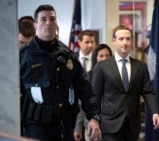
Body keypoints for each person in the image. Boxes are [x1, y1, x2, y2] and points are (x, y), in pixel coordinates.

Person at [19, 4, 101, 141]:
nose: (48, 23)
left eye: (52, 19)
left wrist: (93, 117)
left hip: (65, 126)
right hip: (36, 127)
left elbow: (85, 89)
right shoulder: (24, 56)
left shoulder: (68, 55)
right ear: (35, 25)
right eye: (43, 19)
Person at [91, 25, 159, 141]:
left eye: (128, 39)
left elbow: (148, 92)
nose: (125, 42)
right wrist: (94, 120)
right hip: (110, 125)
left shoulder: (141, 66)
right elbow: (95, 98)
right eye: (121, 39)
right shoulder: (102, 67)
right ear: (114, 41)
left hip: (132, 125)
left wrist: (155, 112)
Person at [74, 43, 113, 141]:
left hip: (112, 124)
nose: (104, 59)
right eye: (101, 56)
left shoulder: (116, 78)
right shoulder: (88, 76)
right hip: (91, 125)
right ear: (95, 58)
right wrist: (78, 128)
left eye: (107, 56)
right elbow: (83, 104)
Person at [73, 30, 98, 141]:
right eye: (87, 42)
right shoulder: (72, 59)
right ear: (79, 42)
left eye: (92, 42)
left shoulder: (98, 60)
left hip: (92, 108)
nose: (90, 45)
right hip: (75, 110)